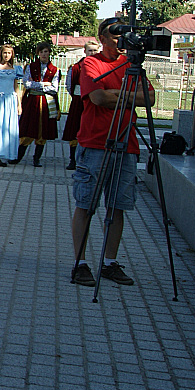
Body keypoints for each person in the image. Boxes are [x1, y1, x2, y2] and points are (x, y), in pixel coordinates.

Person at [68, 19, 153, 288]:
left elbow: (149, 99)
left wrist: (115, 94)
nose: (120, 41)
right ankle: (80, 263)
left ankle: (109, 262)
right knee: (87, 205)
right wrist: (128, 94)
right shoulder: (91, 64)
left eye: (123, 36)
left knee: (117, 207)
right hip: (95, 144)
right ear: (102, 38)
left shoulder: (132, 64)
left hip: (126, 144)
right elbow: (97, 98)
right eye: (114, 36)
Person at [16, 42, 59, 166]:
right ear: (38, 53)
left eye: (46, 51)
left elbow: (54, 88)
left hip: (46, 102)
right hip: (32, 101)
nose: (44, 54)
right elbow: (27, 84)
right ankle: (18, 157)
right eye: (41, 52)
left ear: (49, 53)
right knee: (28, 129)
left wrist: (39, 86)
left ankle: (37, 159)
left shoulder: (55, 70)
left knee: (42, 131)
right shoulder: (31, 67)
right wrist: (43, 84)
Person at [62, 40, 101, 171]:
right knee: (74, 130)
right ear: (85, 51)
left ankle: (90, 160)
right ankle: (73, 160)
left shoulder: (102, 67)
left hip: (95, 102)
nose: (92, 53)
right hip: (79, 102)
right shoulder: (76, 67)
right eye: (90, 50)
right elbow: (69, 85)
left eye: (95, 50)